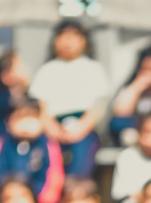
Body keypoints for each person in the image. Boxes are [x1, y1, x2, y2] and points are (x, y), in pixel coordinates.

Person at [28, 20, 110, 178]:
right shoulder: (46, 71)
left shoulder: (93, 69)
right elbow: (41, 106)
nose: (67, 42)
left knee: (81, 161)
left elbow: (98, 107)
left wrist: (81, 128)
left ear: (84, 41)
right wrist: (53, 129)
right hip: (52, 126)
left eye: (73, 37)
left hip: (84, 127)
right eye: (63, 37)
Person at [0, 100, 63, 203]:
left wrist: (36, 201)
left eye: (33, 118)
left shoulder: (48, 145)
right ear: (8, 121)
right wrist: (4, 199)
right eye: (20, 118)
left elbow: (53, 178)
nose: (26, 124)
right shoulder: (0, 144)